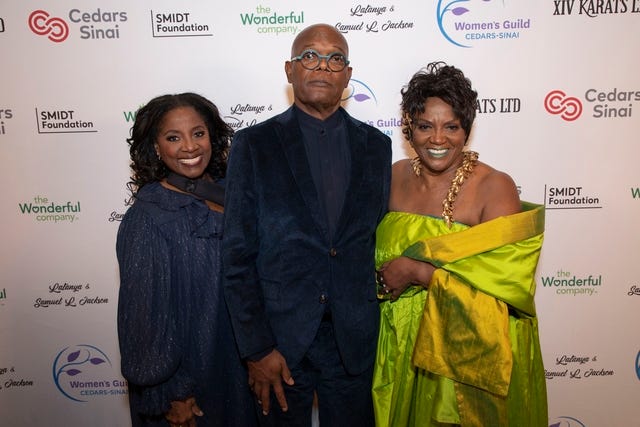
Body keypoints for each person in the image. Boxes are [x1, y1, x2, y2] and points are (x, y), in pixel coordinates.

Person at [222, 23, 392, 427]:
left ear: (348, 75)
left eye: (335, 58)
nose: (322, 66)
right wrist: (257, 348)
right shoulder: (254, 145)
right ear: (289, 70)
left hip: (353, 340)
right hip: (279, 342)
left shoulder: (377, 146)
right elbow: (237, 255)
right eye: (309, 56)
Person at [372, 62, 548, 426]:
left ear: (466, 130)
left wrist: (417, 271)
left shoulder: (494, 186)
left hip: (461, 349)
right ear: (409, 128)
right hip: (397, 341)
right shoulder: (393, 176)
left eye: (451, 126)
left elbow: (505, 287)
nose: (438, 140)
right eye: (425, 126)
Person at [116, 93, 258, 427]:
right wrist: (171, 394)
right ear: (155, 146)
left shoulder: (232, 191)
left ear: (213, 136)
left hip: (240, 367)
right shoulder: (149, 216)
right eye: (173, 137)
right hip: (191, 383)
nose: (190, 147)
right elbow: (143, 318)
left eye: (198, 133)